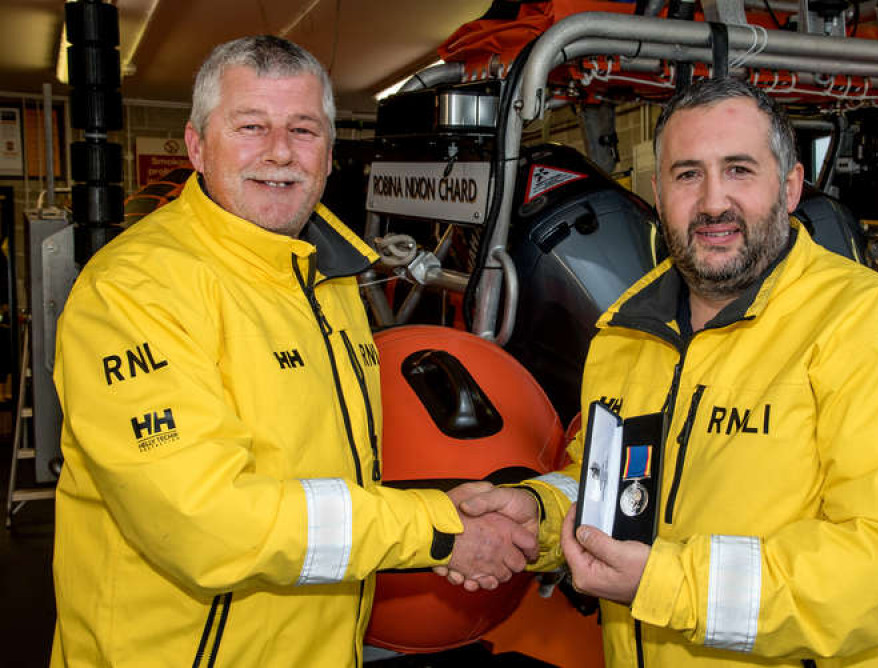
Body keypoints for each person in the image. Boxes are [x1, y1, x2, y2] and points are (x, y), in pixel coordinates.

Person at [446, 78, 878, 667]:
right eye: (688, 174)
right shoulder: (627, 330)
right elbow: (618, 484)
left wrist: (669, 585)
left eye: (740, 170)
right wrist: (541, 512)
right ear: (656, 192)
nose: (713, 202)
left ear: (791, 187)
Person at [50, 35, 534, 668]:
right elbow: (206, 521)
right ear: (198, 146)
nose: (279, 152)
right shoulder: (134, 290)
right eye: (250, 126)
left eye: (303, 130)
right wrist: (436, 529)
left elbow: (323, 478)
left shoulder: (326, 281)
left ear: (329, 154)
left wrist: (452, 509)